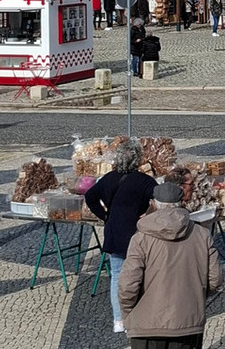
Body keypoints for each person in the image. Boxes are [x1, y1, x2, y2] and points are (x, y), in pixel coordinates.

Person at [118, 182, 223, 349]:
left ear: (153, 204)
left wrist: (128, 313)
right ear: (182, 203)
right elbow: (215, 279)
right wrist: (195, 297)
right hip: (188, 321)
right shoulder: (202, 234)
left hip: (146, 324)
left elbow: (127, 285)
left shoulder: (140, 238)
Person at [84, 138, 159, 334]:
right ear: (138, 160)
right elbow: (159, 201)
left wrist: (104, 216)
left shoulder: (108, 178)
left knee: (117, 276)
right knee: (141, 275)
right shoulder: (145, 181)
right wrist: (147, 215)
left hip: (114, 232)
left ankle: (119, 320)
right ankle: (140, 316)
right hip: (136, 233)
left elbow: (89, 197)